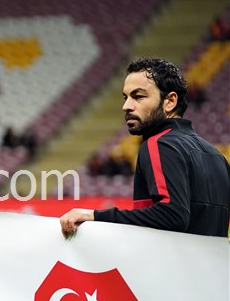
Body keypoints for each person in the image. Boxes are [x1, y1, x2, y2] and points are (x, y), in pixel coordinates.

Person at [60, 57, 230, 238]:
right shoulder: (217, 156)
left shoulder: (159, 143)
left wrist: (95, 216)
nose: (126, 106)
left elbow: (173, 215)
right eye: (126, 97)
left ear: (170, 101)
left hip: (171, 257)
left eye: (138, 96)